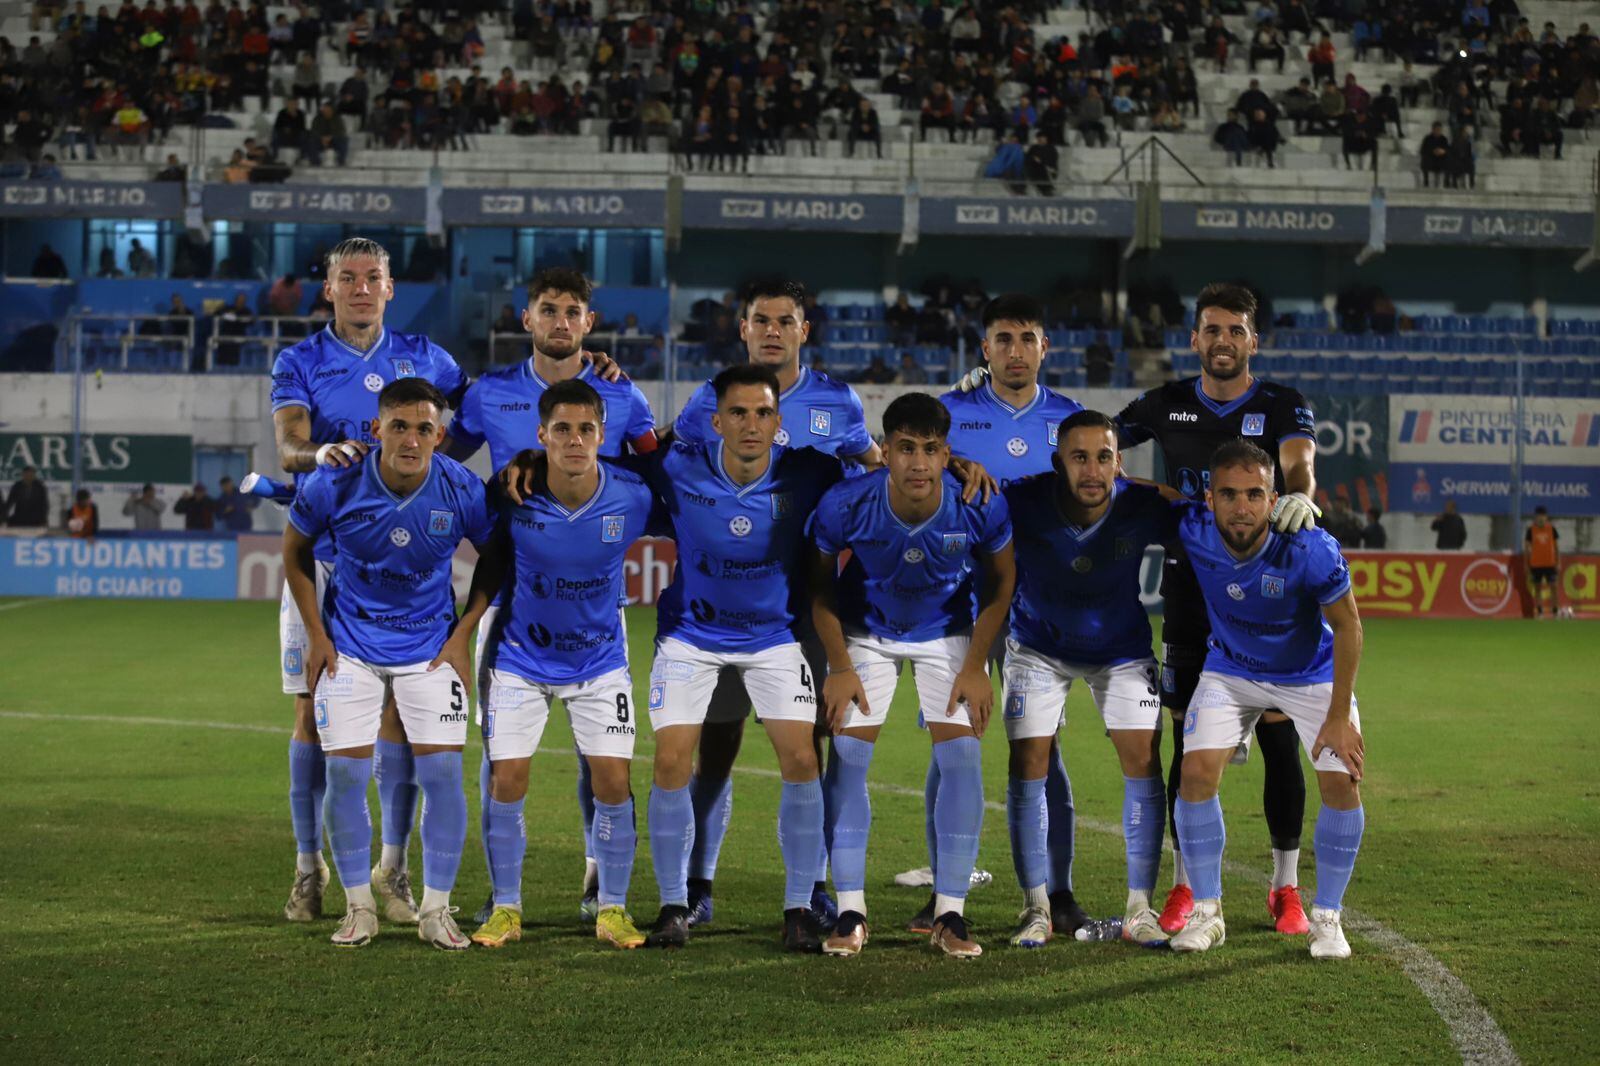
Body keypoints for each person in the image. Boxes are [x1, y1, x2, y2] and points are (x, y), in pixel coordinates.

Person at [665, 280, 883, 934]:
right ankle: (697, 884)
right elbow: (674, 469)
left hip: (802, 608)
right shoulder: (712, 397)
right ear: (743, 327)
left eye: (784, 321)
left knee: (808, 748)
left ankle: (810, 886)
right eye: (760, 320)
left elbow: (873, 472)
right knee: (717, 746)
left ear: (803, 331)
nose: (771, 331)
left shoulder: (837, 401)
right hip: (719, 606)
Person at [447, 267, 658, 924]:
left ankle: (602, 880)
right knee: (503, 762)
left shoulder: (623, 397)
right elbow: (448, 468)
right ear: (527, 318)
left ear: (589, 324)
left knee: (605, 766)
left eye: (573, 311)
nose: (561, 321)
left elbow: (655, 474)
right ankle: (503, 894)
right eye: (548, 309)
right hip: (510, 603)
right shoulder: (487, 394)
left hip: (595, 607)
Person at [270, 238, 468, 925]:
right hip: (325, 559)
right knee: (309, 712)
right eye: (347, 278)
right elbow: (290, 443)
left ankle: (393, 867)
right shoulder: (300, 361)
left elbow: (459, 437)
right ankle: (308, 868)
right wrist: (314, 453)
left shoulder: (430, 360)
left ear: (390, 288)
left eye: (372, 278)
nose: (360, 288)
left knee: (404, 721)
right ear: (328, 289)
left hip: (405, 568)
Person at [1114, 282, 1320, 939]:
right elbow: (1091, 443)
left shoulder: (1282, 404)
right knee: (1187, 738)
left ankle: (1285, 888)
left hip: (1268, 593)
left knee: (1278, 733)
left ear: (1253, 341)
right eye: (1212, 330)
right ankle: (1185, 882)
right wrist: (1141, 490)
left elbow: (1300, 463)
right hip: (1189, 592)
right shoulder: (1166, 403)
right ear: (1195, 338)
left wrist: (1301, 497)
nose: (1223, 341)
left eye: (1236, 330)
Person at [636, 364, 845, 952]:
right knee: (673, 760)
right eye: (738, 413)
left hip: (773, 638)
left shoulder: (811, 472)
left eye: (762, 413)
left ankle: (799, 908)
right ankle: (674, 905)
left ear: (778, 421)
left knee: (802, 758)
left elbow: (883, 475)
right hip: (691, 638)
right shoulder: (678, 468)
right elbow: (604, 473)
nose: (750, 424)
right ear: (715, 420)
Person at [283, 378, 494, 949]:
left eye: (424, 428)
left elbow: (498, 558)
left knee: (444, 778)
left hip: (428, 651)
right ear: (376, 429)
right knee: (347, 774)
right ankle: (359, 907)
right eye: (399, 425)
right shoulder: (337, 482)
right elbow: (294, 551)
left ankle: (435, 911)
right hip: (349, 646)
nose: (411, 438)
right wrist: (316, 634)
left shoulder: (460, 489)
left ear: (440, 436)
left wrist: (463, 634)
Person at [810, 394, 1015, 958]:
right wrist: (839, 666)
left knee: (963, 761)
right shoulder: (846, 502)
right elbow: (820, 589)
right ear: (887, 451)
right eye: (905, 449)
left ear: (947, 454)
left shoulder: (978, 502)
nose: (918, 463)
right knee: (847, 762)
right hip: (865, 635)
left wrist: (975, 666)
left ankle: (951, 915)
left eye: (930, 450)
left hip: (946, 635)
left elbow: (1001, 586)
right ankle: (851, 911)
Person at [1165, 440, 1366, 960]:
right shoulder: (1193, 528)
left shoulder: (1308, 547)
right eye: (1229, 494)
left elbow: (1348, 626)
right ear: (1209, 498)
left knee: (1340, 778)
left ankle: (1327, 918)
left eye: (1255, 494)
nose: (1241, 506)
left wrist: (1340, 716)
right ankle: (1208, 914)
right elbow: (1133, 493)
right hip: (1231, 670)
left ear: (1274, 498)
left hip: (1308, 674)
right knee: (1194, 773)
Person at [1000, 411, 1177, 948]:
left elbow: (1208, 514)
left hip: (1121, 651)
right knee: (1028, 760)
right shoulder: (1021, 499)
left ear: (1119, 463)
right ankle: (1036, 908)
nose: (1092, 470)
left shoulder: (1144, 505)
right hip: (1037, 648)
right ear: (1059, 462)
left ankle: (1140, 908)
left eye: (1104, 457)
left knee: (1143, 759)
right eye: (1080, 457)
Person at [941, 293, 1086, 938]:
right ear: (985, 349)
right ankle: (945, 894)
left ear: (1044, 347)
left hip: (1042, 608)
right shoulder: (952, 413)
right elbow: (913, 463)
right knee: (953, 747)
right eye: (1003, 338)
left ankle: (1058, 890)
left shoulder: (1072, 420)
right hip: (963, 601)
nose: (1015, 351)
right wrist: (949, 458)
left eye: (1027, 338)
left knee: (1043, 749)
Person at [1524, 506, 1561, 618]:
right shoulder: (1530, 530)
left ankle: (1555, 612)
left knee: (1554, 587)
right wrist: (1526, 565)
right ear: (1535, 517)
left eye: (1543, 516)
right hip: (1536, 564)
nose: (1540, 518)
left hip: (1550, 563)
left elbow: (1557, 547)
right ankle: (1540, 612)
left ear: (1546, 517)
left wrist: (1558, 562)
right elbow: (1526, 549)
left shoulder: (1552, 529)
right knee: (1538, 588)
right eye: (1538, 516)